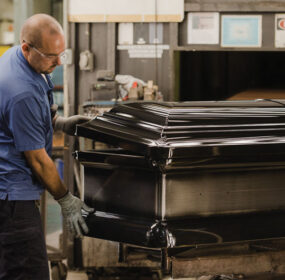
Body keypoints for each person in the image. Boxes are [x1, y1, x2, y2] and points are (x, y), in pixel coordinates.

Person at [0, 14, 94, 280]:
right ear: (27, 47)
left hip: (11, 191)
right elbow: (39, 161)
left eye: (61, 54)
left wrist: (60, 123)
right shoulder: (20, 91)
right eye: (51, 56)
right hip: (11, 199)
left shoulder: (23, 60)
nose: (57, 62)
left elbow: (38, 112)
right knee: (28, 272)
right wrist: (66, 199)